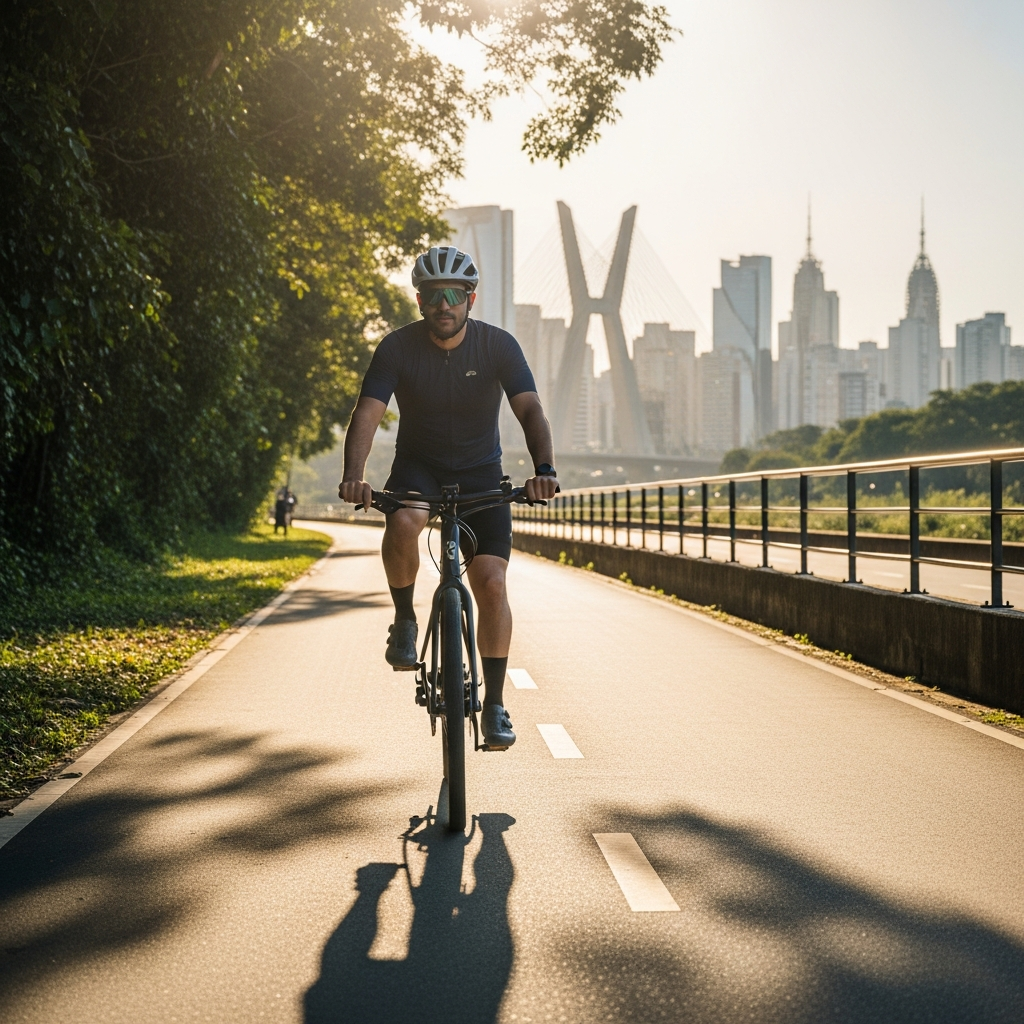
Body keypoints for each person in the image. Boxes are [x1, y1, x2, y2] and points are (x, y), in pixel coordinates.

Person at [339, 245, 559, 750]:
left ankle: (497, 704)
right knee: (402, 524)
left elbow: (530, 410)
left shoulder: (498, 346)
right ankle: (405, 618)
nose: (445, 304)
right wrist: (355, 474)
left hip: (483, 475)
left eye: (454, 295)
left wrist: (544, 470)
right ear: (420, 300)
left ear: (470, 299)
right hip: (420, 468)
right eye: (434, 295)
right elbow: (368, 414)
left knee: (491, 582)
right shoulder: (397, 348)